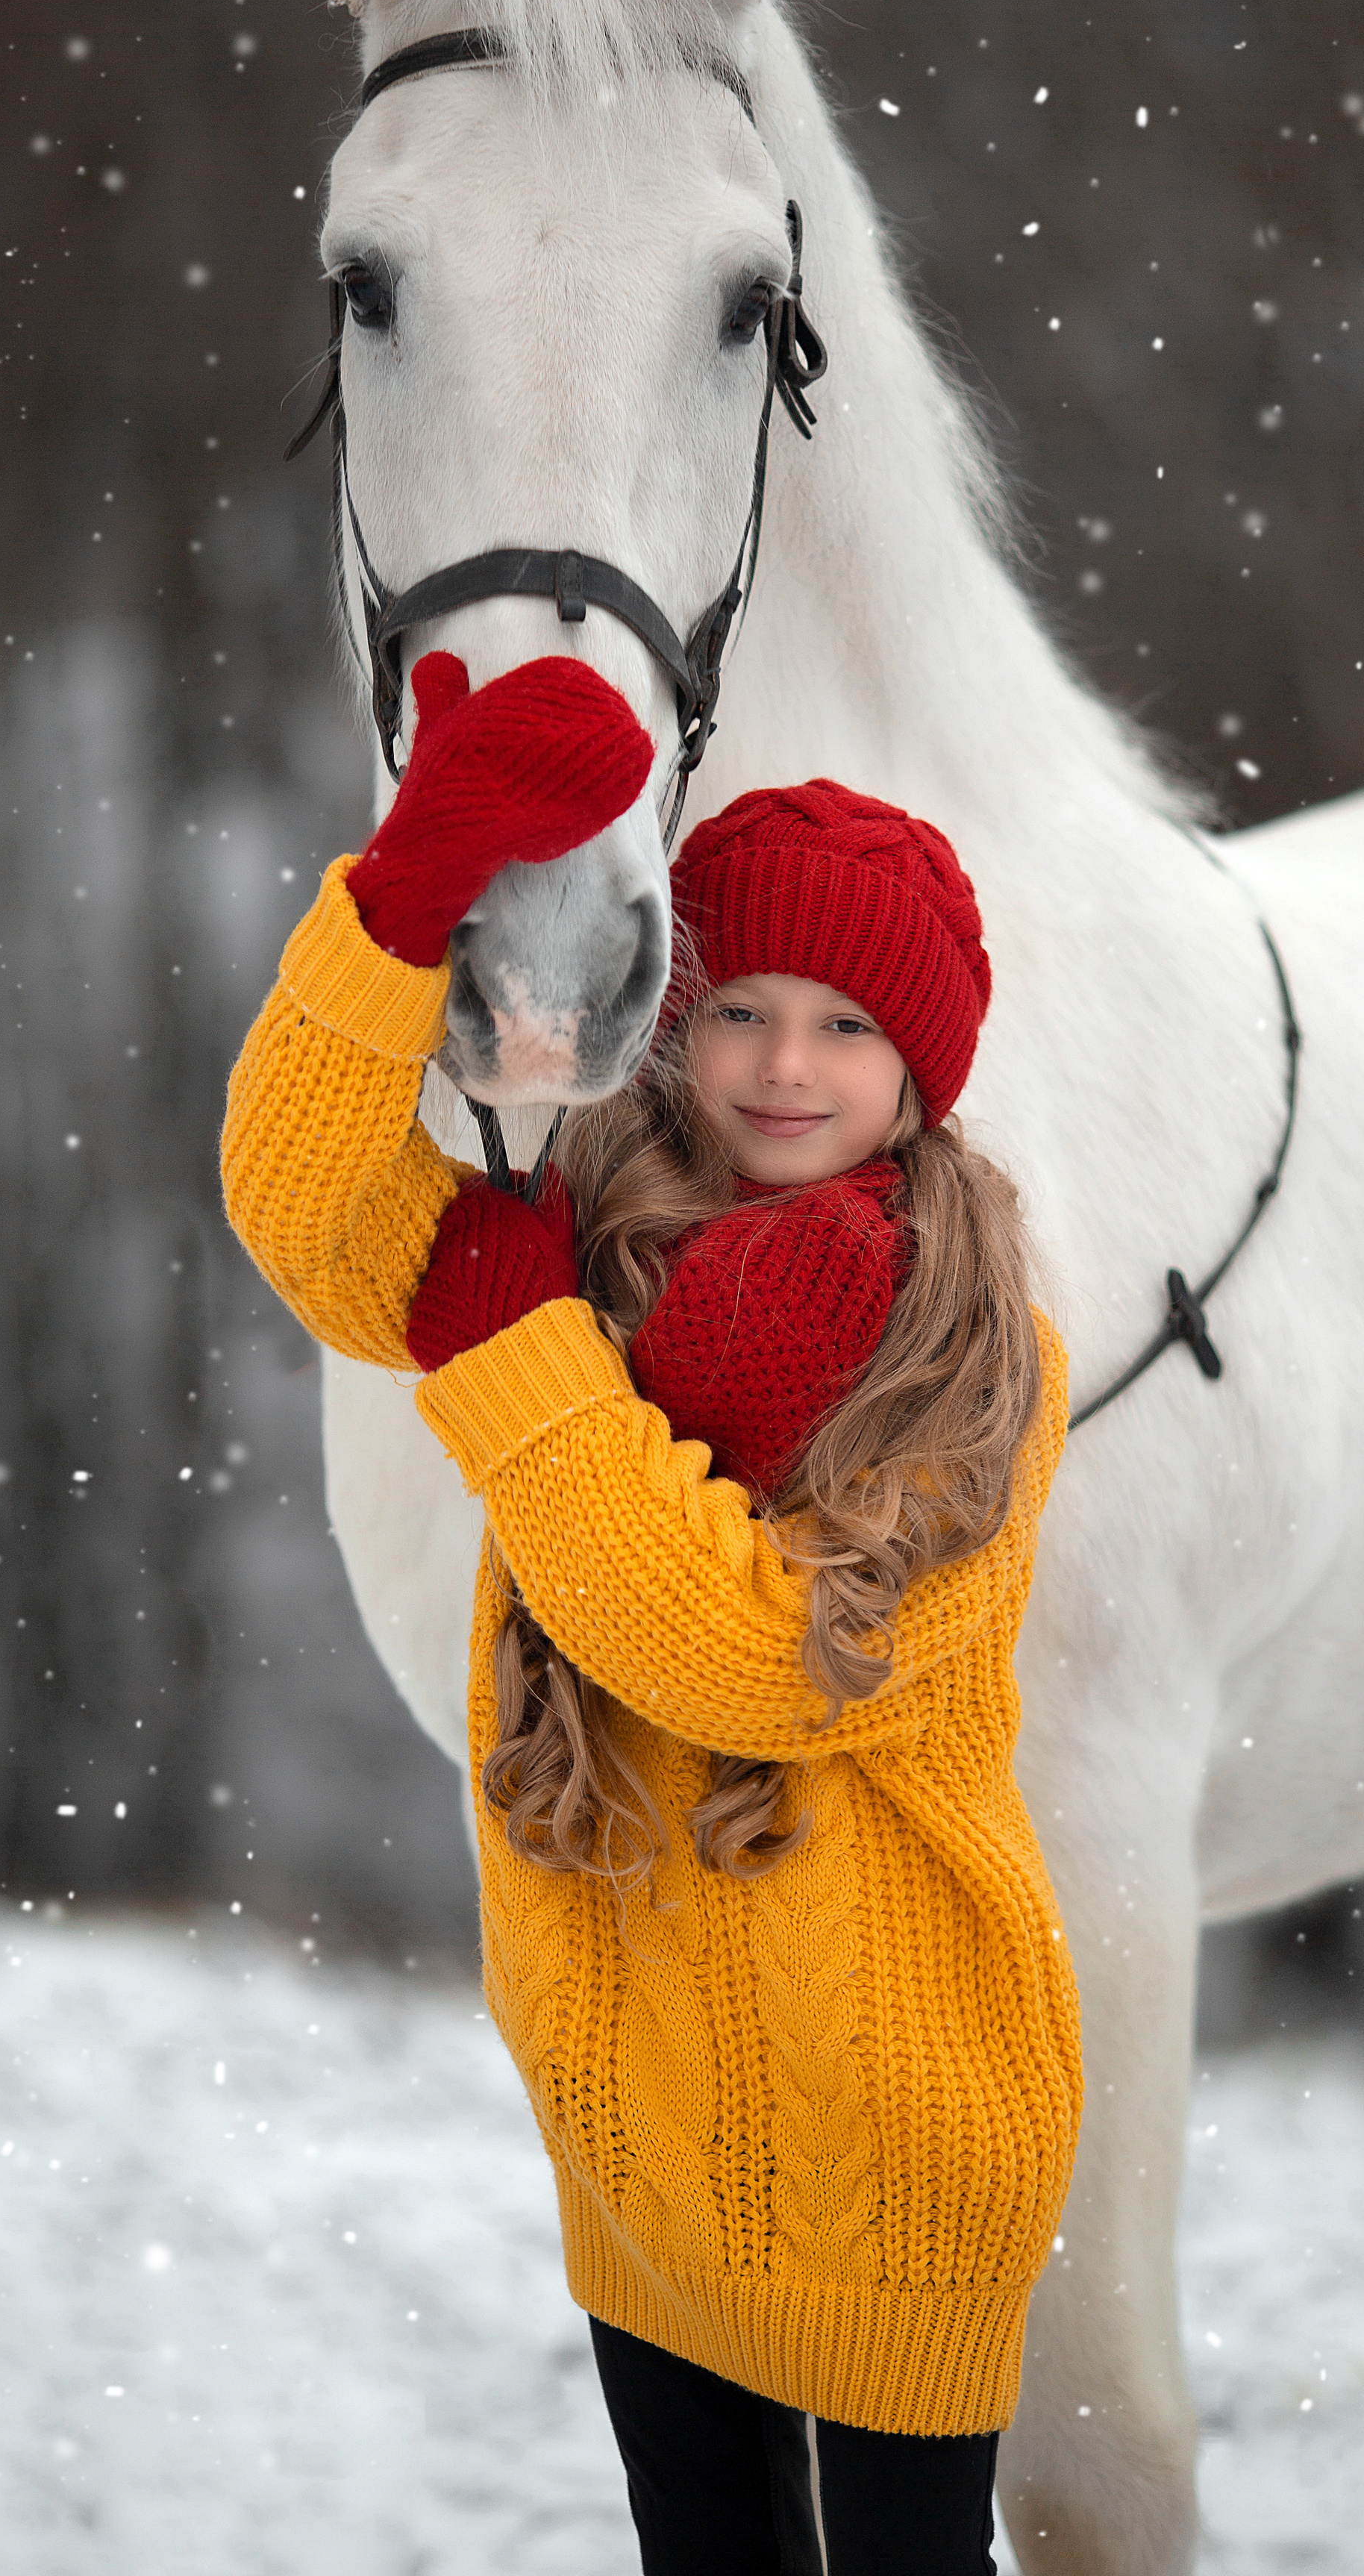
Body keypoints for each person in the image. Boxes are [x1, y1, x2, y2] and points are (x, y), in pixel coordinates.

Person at [222, 652, 1083, 2576]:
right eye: (747, 1009)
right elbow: (312, 1224)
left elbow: (764, 1657)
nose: (787, 1065)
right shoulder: (584, 1244)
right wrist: (407, 891)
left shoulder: (967, 1358)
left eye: (849, 1026)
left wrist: (525, 1368)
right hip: (635, 2085)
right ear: (676, 1022)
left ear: (923, 1072)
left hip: (891, 2111)